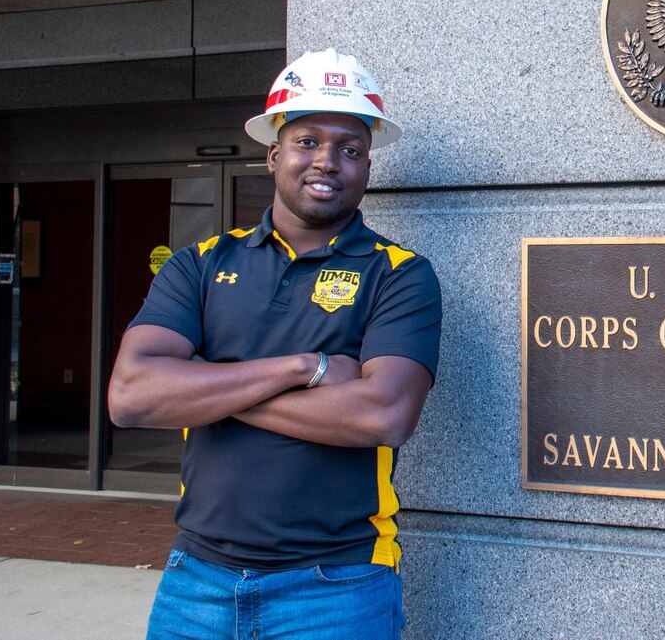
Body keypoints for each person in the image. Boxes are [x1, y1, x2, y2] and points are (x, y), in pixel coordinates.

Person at [108, 48, 442, 639]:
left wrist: (206, 383)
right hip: (196, 582)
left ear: (367, 166)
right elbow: (133, 396)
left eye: (351, 149)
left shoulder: (399, 274)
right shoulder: (201, 265)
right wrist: (304, 367)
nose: (328, 161)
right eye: (308, 141)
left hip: (337, 587)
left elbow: (382, 414)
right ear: (273, 154)